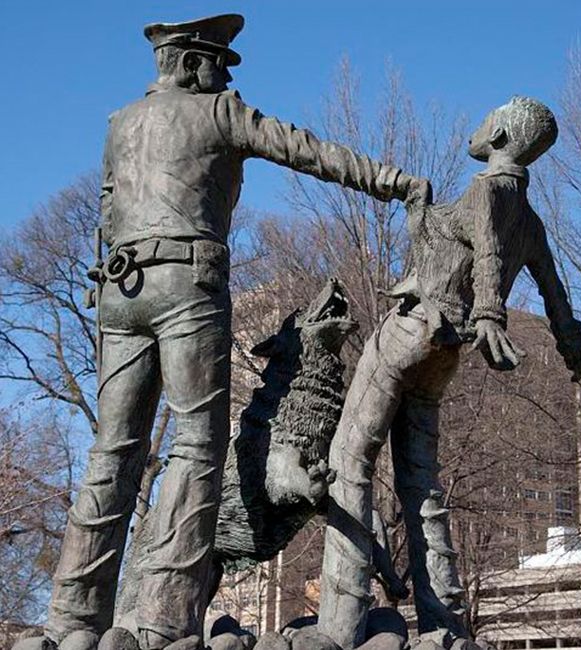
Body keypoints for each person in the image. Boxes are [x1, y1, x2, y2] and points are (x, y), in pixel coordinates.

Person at [41, 14, 425, 650]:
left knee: (112, 450)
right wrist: (395, 182)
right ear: (195, 63)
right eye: (220, 64)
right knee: (196, 443)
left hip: (120, 288)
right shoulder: (218, 112)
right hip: (187, 285)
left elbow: (108, 211)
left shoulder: (119, 124)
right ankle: (164, 618)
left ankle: (72, 619)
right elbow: (306, 149)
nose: (224, 76)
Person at [318, 96, 581, 649]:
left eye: (488, 118)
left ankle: (338, 626)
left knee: (348, 459)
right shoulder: (531, 221)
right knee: (422, 483)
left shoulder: (485, 190)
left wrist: (489, 311)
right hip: (446, 352)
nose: (478, 124)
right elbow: (558, 303)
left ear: (503, 134)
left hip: (412, 330)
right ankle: (445, 623)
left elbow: (485, 249)